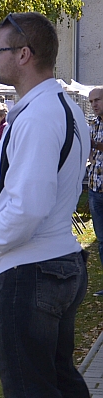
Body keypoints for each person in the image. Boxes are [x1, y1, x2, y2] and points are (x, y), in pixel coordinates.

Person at [0, 12, 93, 398]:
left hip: (33, 269)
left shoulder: (41, 114)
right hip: (53, 262)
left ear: (24, 55)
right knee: (59, 382)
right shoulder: (60, 108)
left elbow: (28, 205)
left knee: (32, 395)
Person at [87, 87, 103, 295]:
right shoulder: (93, 123)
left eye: (97, 100)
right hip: (95, 188)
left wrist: (93, 145)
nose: (94, 105)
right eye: (91, 102)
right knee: (101, 240)